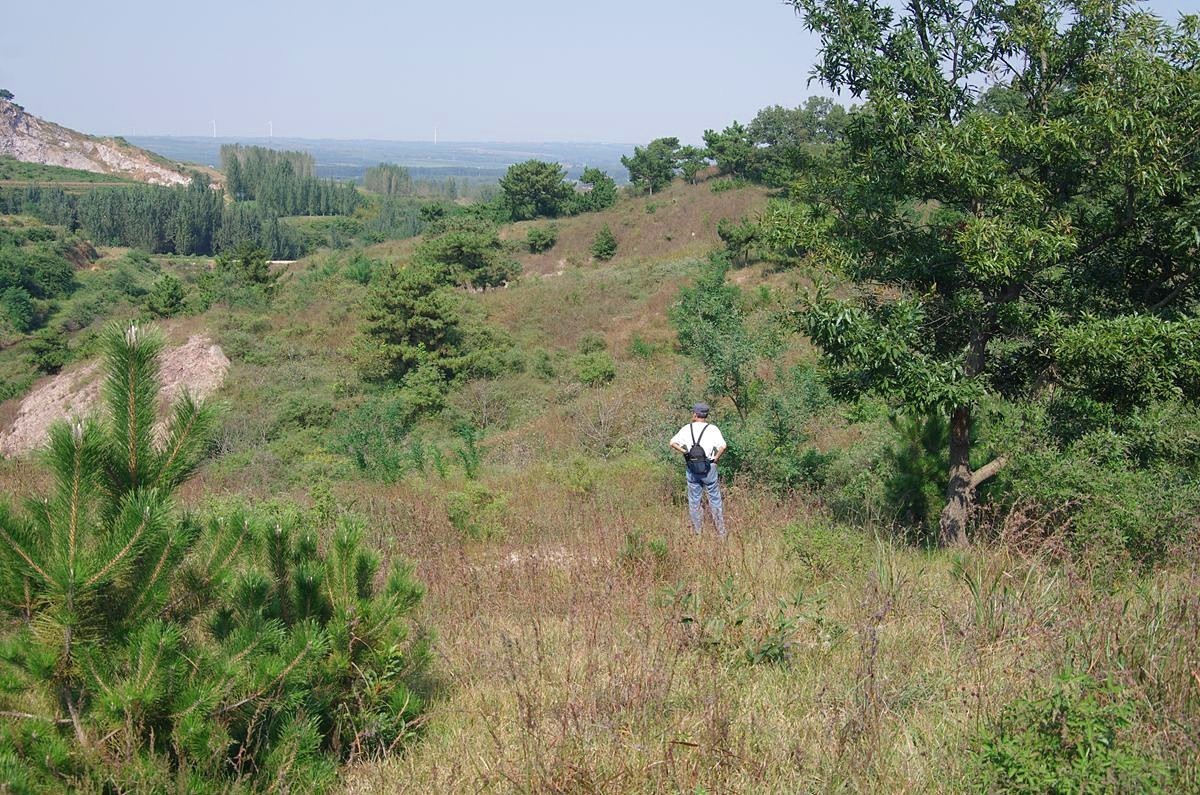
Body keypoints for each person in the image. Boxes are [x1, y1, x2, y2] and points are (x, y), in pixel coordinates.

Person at [669, 402, 728, 537]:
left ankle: (698, 533)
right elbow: (723, 446)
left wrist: (686, 452)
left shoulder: (686, 429)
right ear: (705, 415)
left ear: (695, 414)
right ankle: (721, 533)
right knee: (715, 500)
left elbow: (672, 442)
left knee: (694, 501)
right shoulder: (713, 429)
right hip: (709, 468)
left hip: (692, 469)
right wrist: (715, 459)